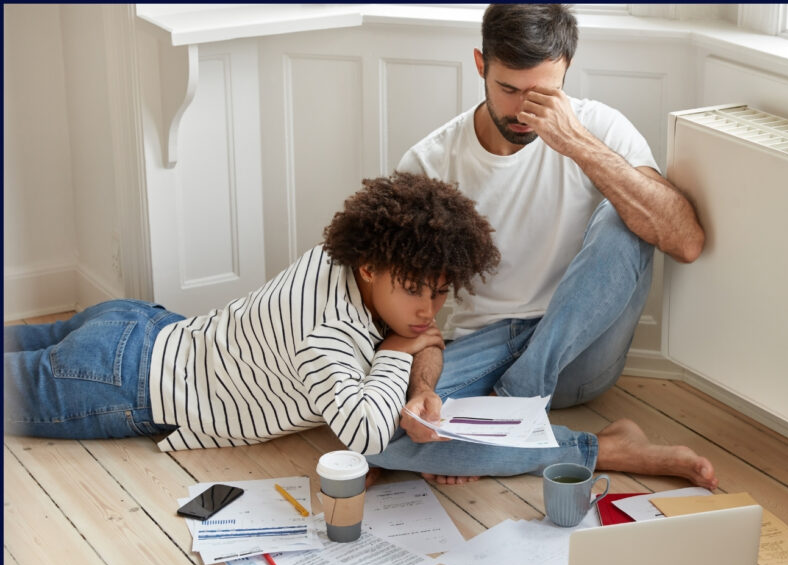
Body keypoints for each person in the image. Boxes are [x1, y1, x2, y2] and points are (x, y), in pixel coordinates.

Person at [365, 4, 718, 491]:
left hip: (579, 353)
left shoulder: (600, 127)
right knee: (375, 433)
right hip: (486, 350)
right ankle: (608, 447)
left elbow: (686, 242)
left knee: (629, 210)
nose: (521, 110)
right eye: (507, 89)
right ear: (480, 65)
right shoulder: (429, 162)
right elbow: (404, 316)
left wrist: (577, 144)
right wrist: (422, 391)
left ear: (566, 70)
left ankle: (516, 404)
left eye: (541, 92)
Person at [4, 172, 501, 457]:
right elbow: (366, 434)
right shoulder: (322, 334)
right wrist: (396, 349)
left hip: (136, 324)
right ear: (370, 267)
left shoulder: (335, 259)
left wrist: (416, 364)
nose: (425, 310)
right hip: (117, 381)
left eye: (439, 294)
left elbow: (427, 336)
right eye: (413, 290)